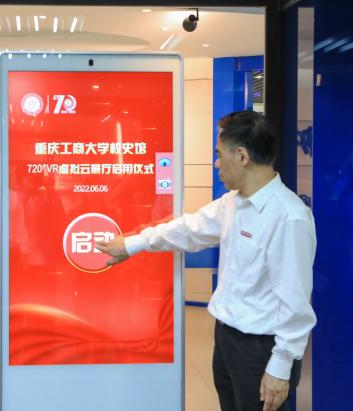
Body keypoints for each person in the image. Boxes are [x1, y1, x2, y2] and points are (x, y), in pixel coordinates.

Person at [95, 111, 316, 411]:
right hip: (227, 339)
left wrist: (280, 365)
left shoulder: (288, 216)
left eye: (219, 154)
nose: (216, 164)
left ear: (242, 156)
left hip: (261, 349)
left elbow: (295, 301)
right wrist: (132, 245)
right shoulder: (233, 203)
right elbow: (189, 230)